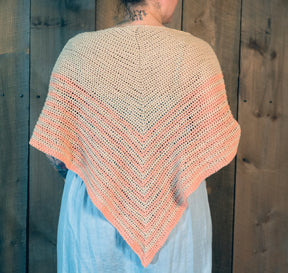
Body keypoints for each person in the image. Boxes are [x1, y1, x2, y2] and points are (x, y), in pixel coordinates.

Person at [29, 0, 241, 272]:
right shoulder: (197, 54)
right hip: (177, 214)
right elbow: (215, 143)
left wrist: (104, 172)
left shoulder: (78, 52)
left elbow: (56, 152)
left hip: (94, 213)